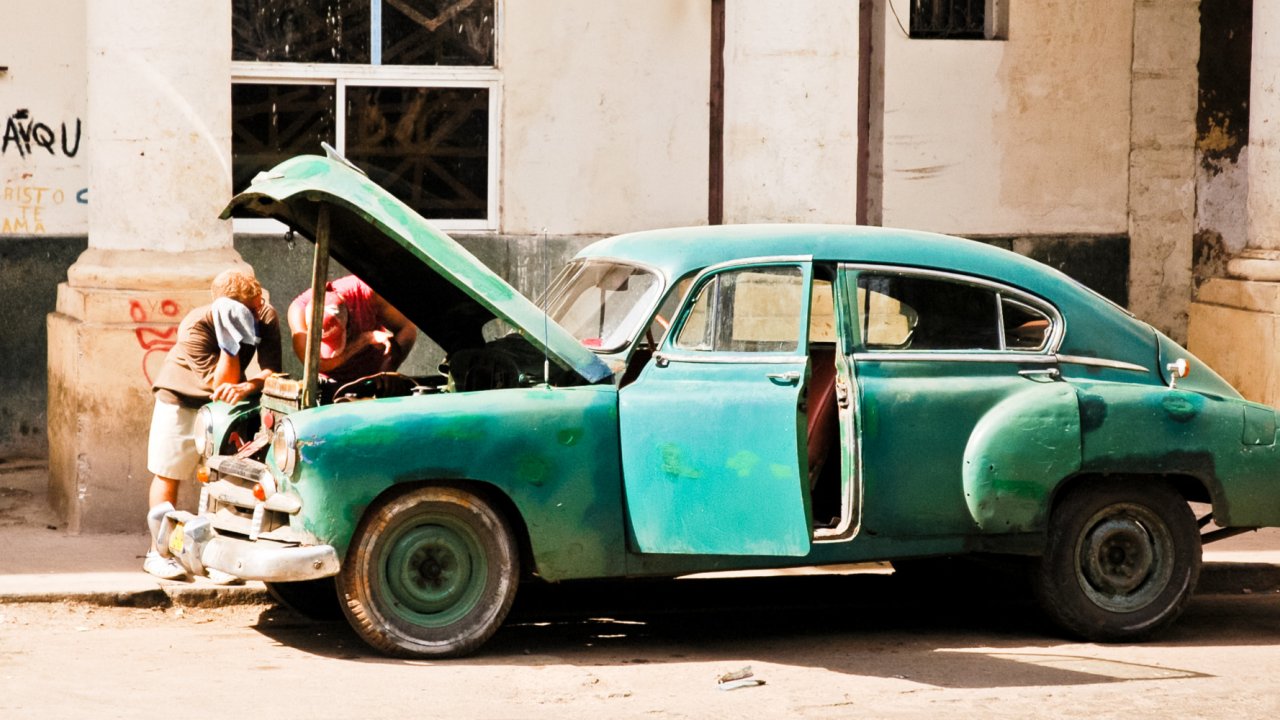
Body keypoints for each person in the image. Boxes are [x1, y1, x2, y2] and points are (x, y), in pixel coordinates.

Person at [143, 268, 282, 580]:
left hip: (228, 404)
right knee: (169, 473)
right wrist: (229, 341)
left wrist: (251, 385)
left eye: (257, 303)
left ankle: (219, 558)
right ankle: (159, 552)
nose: (256, 311)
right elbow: (221, 382)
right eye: (247, 309)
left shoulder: (264, 314)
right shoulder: (195, 325)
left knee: (225, 479)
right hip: (180, 398)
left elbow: (273, 371)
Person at [287, 274, 417, 385]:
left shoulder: (367, 294)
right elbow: (318, 364)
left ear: (348, 323)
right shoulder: (298, 312)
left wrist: (387, 370)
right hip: (328, 382)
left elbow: (407, 329)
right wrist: (366, 339)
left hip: (371, 378)